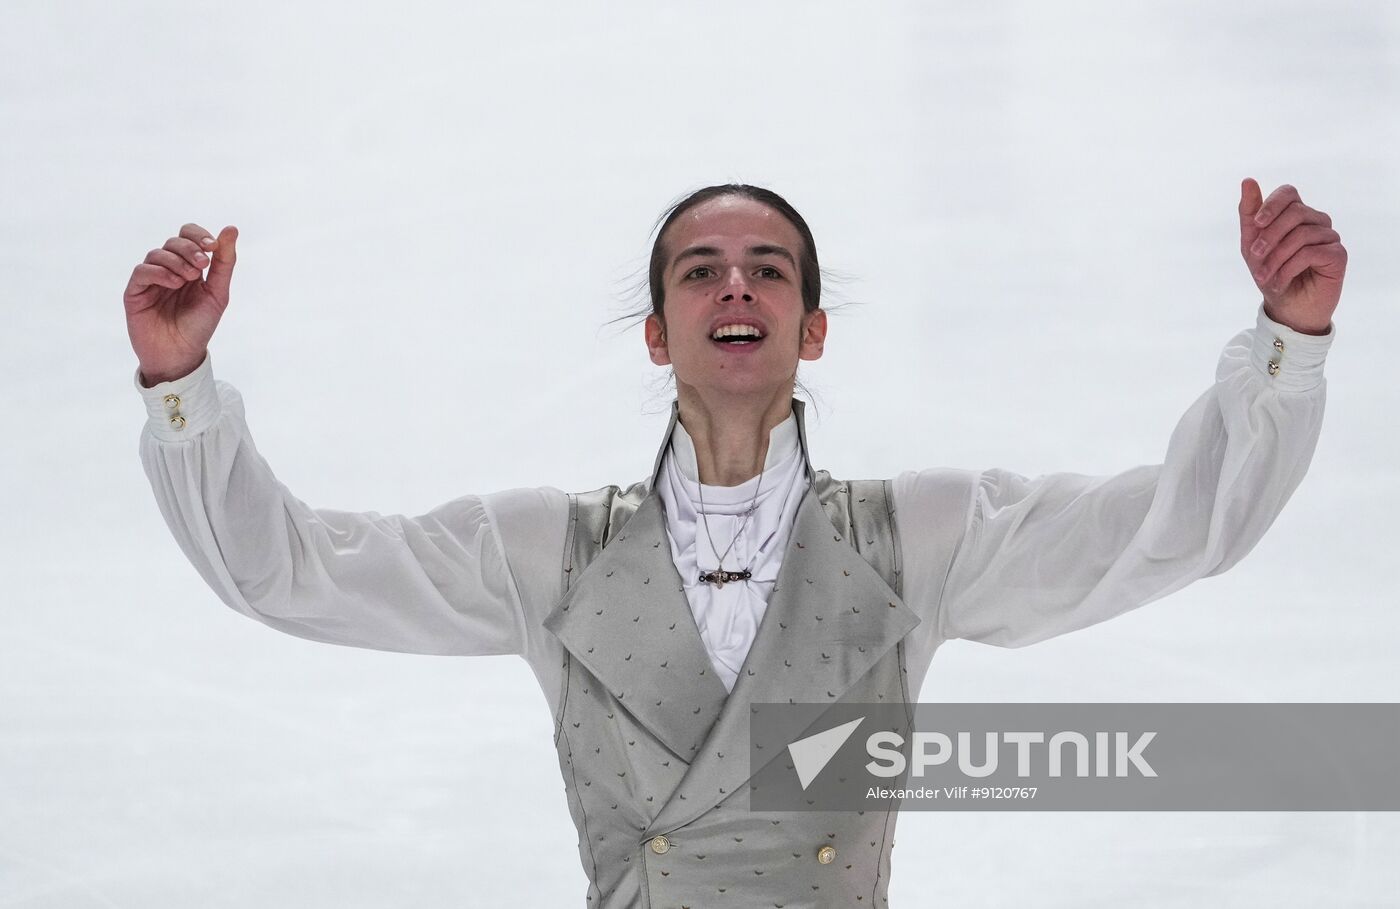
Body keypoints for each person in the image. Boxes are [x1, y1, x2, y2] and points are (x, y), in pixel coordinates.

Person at [126, 180, 1344, 906]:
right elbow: (287, 571)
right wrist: (178, 380)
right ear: (658, 334)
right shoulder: (544, 553)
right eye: (700, 274)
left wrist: (1286, 345)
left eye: (766, 272)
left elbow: (1165, 533)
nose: (735, 291)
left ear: (809, 329)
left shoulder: (914, 537)